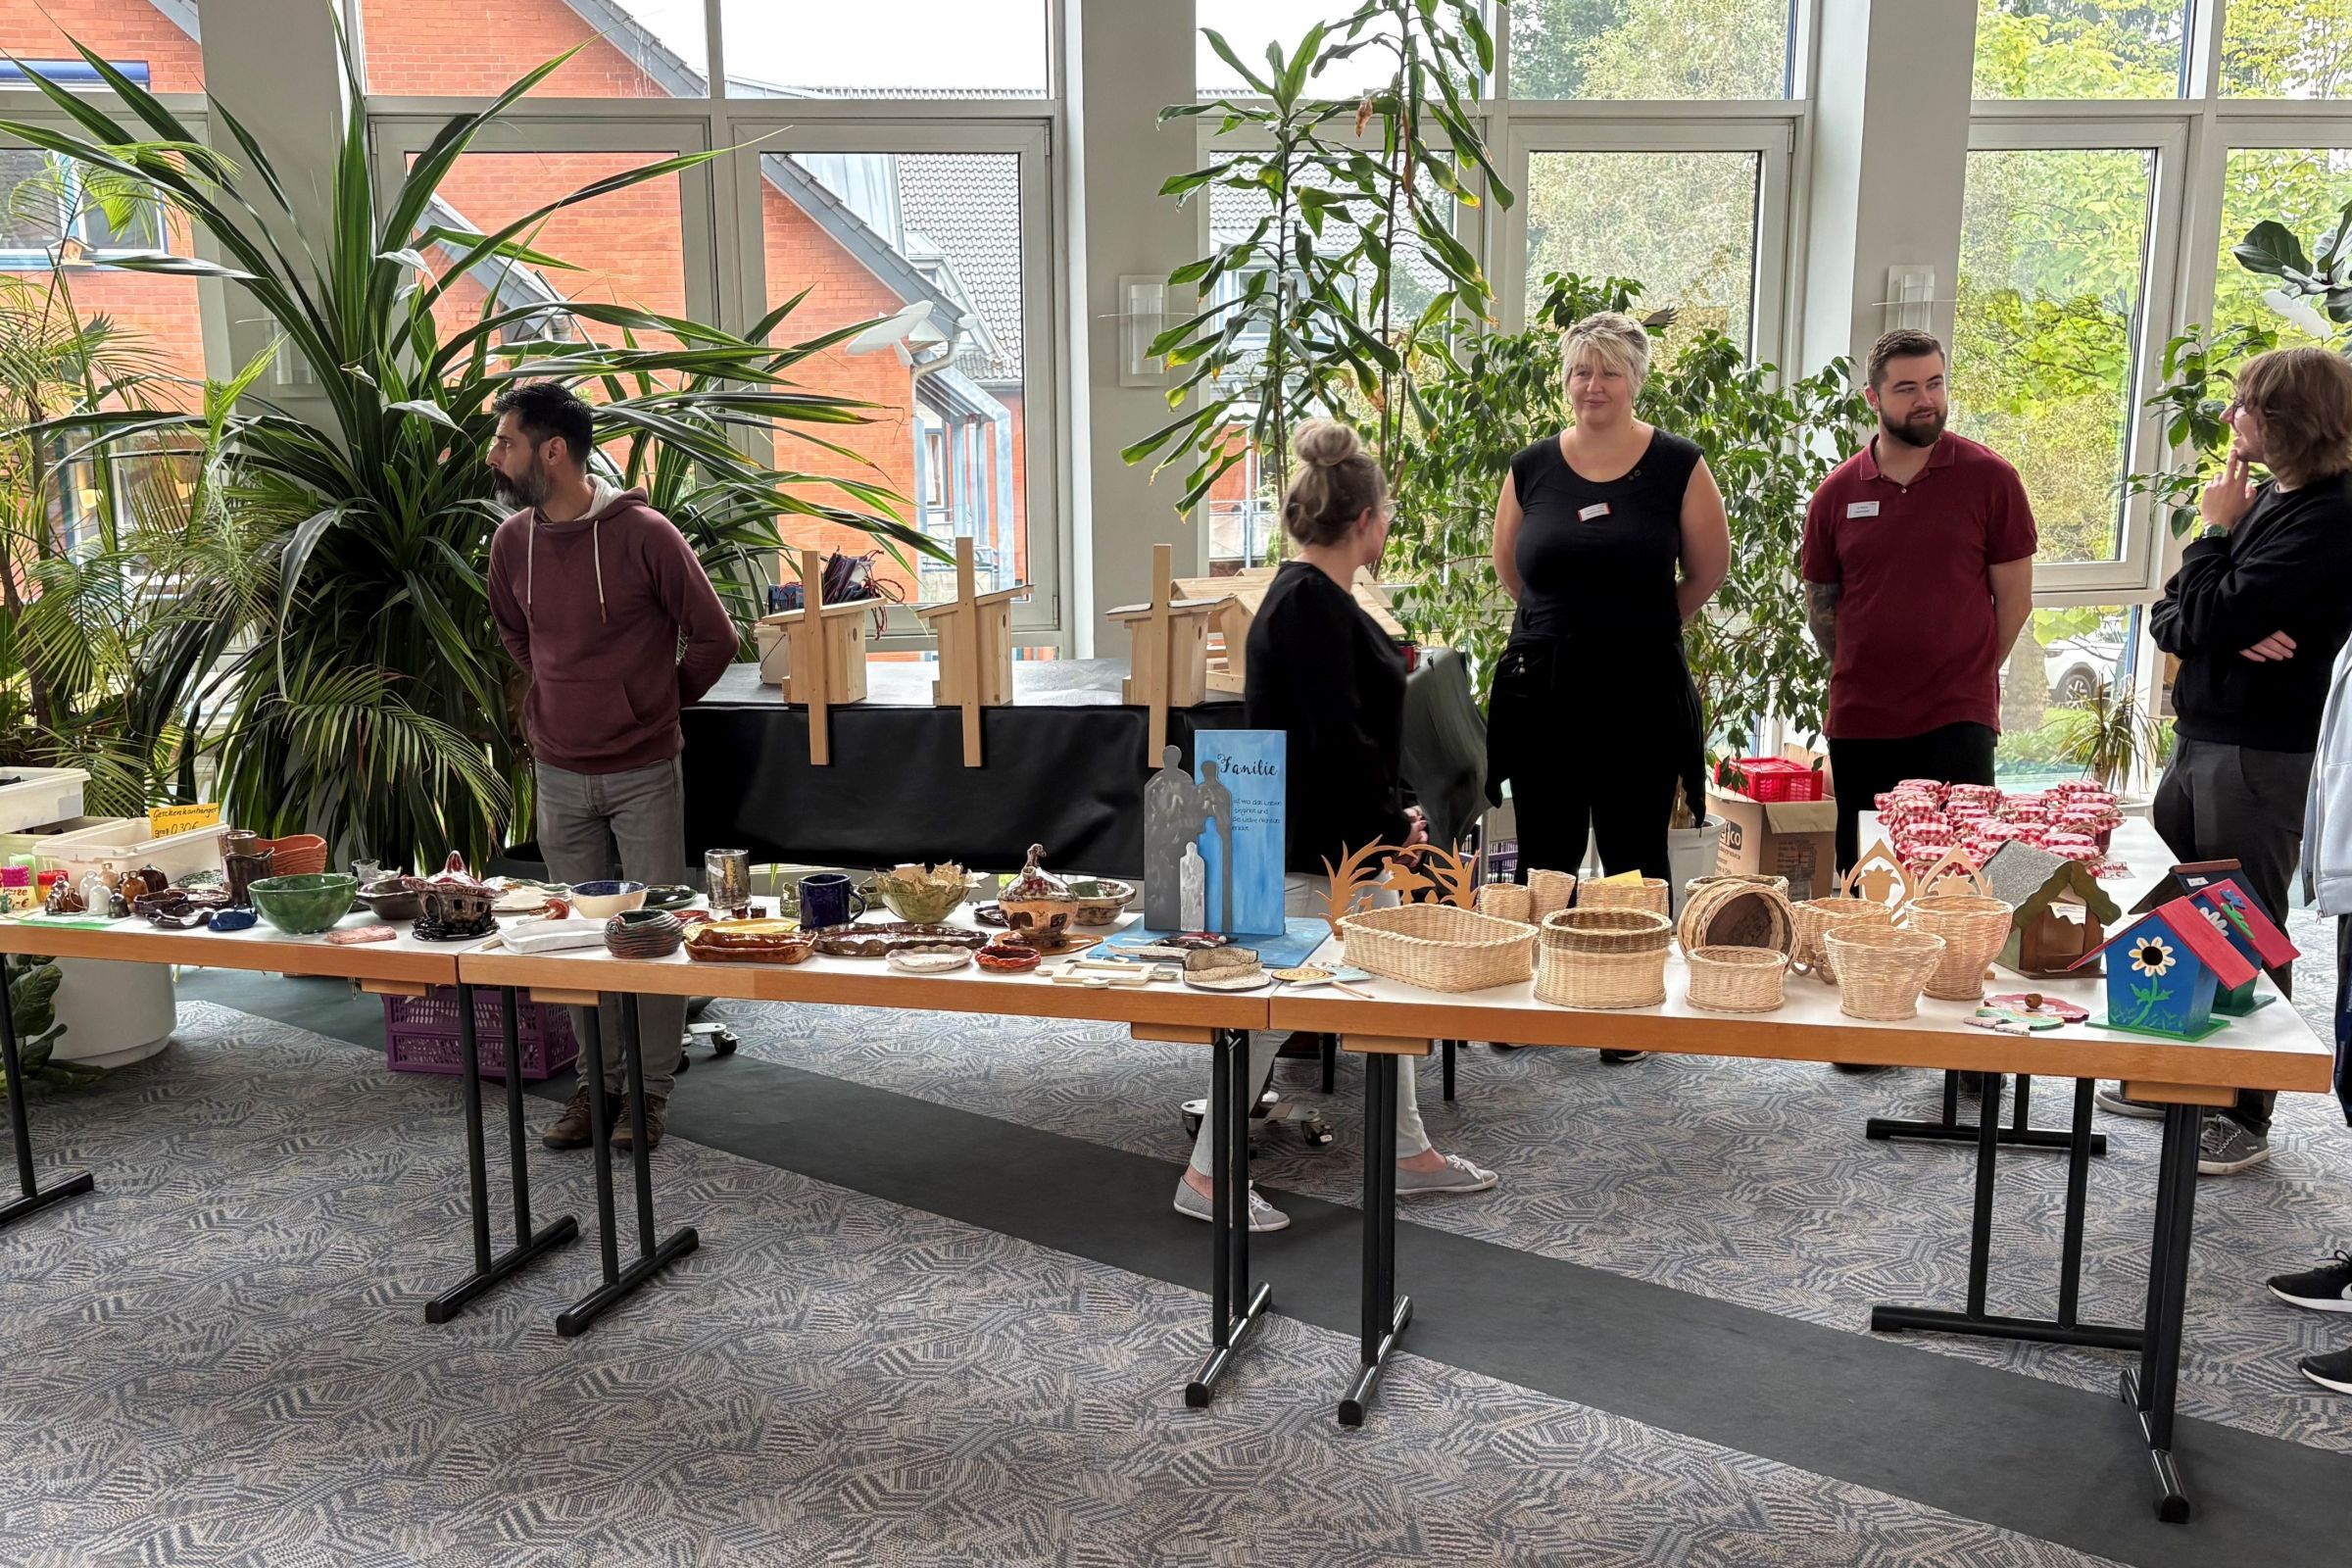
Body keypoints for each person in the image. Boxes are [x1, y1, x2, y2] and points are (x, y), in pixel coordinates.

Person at [1175, 419, 1498, 1233]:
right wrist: (1394, 819)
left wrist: (1392, 812)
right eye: (1386, 512)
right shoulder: (1310, 607)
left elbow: (1348, 732)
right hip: (1316, 845)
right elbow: (1336, 739)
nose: (1388, 524)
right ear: (1365, 522)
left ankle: (1410, 1154)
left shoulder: (1309, 598)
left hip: (1334, 839)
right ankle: (1207, 1177)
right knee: (1265, 1011)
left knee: (1389, 996)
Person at [2097, 348, 2352, 1175]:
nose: (2233, 416)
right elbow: (2174, 618)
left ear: (2286, 420)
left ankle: (2245, 1111)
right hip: (2204, 733)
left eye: (2246, 404)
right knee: (2184, 907)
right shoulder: (2267, 499)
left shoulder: (2329, 513)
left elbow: (2208, 608)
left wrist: (2213, 538)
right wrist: (2216, 607)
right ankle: (2181, 1076)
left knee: (2245, 918)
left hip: (2260, 751)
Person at [485, 381, 738, 1154]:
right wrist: (559, 702)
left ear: (551, 451)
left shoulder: (646, 534)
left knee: (649, 933)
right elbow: (514, 635)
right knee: (576, 940)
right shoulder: (512, 542)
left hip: (641, 769)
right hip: (558, 769)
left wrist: (648, 707)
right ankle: (598, 1088)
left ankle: (650, 1093)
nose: (494, 456)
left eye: (506, 443)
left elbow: (715, 638)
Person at [1486, 311, 1727, 1065]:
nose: (1593, 386)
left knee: (1631, 853)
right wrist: (1566, 627)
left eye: (1609, 372)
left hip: (1640, 690)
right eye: (1581, 372)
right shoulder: (1531, 467)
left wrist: (1645, 626)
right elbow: (1512, 571)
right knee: (1546, 852)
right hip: (1545, 690)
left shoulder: (1678, 463)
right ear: (1566, 382)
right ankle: (1536, 1000)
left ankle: (1625, 1009)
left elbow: (1707, 572)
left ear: (1635, 381)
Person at [1802, 329, 2036, 878]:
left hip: (1958, 716)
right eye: (1907, 388)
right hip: (1862, 719)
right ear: (1873, 399)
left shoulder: (1992, 480)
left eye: (1935, 383)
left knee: (1961, 879)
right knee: (1868, 878)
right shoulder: (1836, 494)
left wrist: (1969, 670)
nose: (1926, 399)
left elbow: (2015, 601)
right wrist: (1862, 670)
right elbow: (1823, 608)